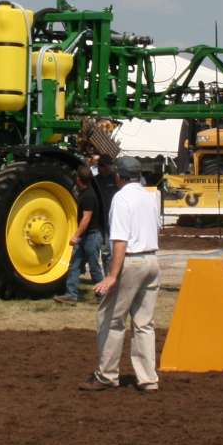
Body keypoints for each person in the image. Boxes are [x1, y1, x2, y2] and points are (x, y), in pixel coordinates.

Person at [82, 156, 162, 394]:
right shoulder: (150, 197)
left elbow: (120, 240)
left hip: (131, 261)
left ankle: (107, 375)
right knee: (144, 323)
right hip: (152, 260)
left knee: (111, 319)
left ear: (119, 175)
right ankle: (148, 379)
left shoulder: (121, 198)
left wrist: (112, 276)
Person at [56, 166, 105, 304]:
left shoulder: (89, 195)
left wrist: (76, 236)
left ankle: (102, 296)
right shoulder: (85, 193)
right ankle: (71, 295)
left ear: (78, 179)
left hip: (91, 236)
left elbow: (86, 218)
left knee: (94, 267)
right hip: (86, 236)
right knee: (75, 265)